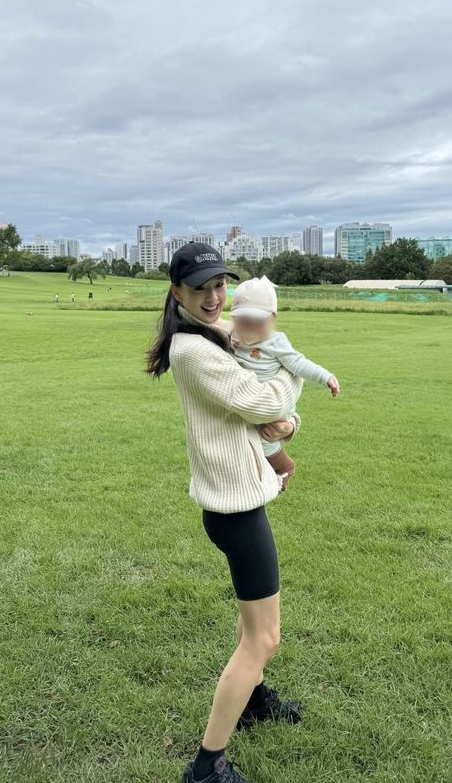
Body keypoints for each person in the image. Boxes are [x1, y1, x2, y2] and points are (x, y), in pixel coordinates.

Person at [146, 243, 304, 783]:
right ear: (177, 293)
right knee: (264, 637)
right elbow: (263, 403)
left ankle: (255, 700)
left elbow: (259, 417)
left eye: (220, 286)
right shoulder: (195, 350)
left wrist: (283, 430)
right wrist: (291, 369)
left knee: (250, 626)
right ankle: (206, 767)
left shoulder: (214, 338)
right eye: (200, 288)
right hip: (235, 513)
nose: (215, 297)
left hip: (234, 499)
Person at [228, 275, 339, 492]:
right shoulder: (231, 335)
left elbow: (298, 363)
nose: (250, 327)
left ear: (273, 318)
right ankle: (265, 478)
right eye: (243, 321)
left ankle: (284, 468)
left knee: (266, 439)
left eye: (258, 322)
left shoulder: (275, 341)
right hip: (251, 404)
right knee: (251, 444)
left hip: (274, 407)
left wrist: (325, 377)